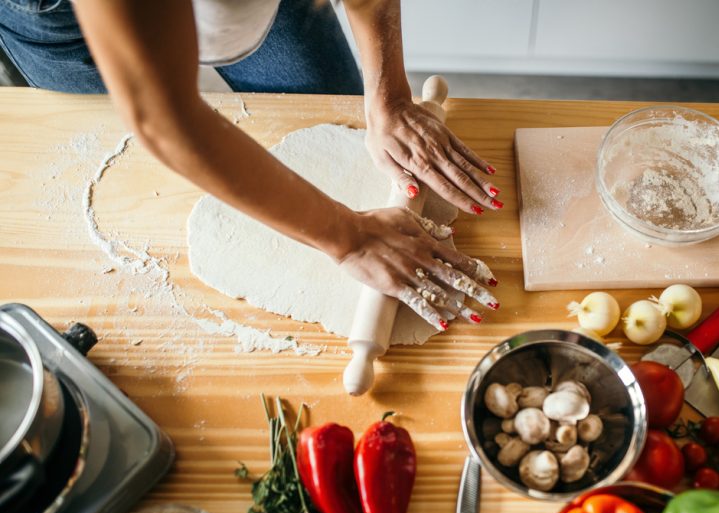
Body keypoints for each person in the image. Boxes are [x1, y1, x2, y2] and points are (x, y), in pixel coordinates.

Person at [0, 0, 501, 328]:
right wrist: (350, 238)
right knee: (112, 151)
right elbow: (162, 117)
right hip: (57, 12)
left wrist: (388, 97)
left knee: (320, 96)